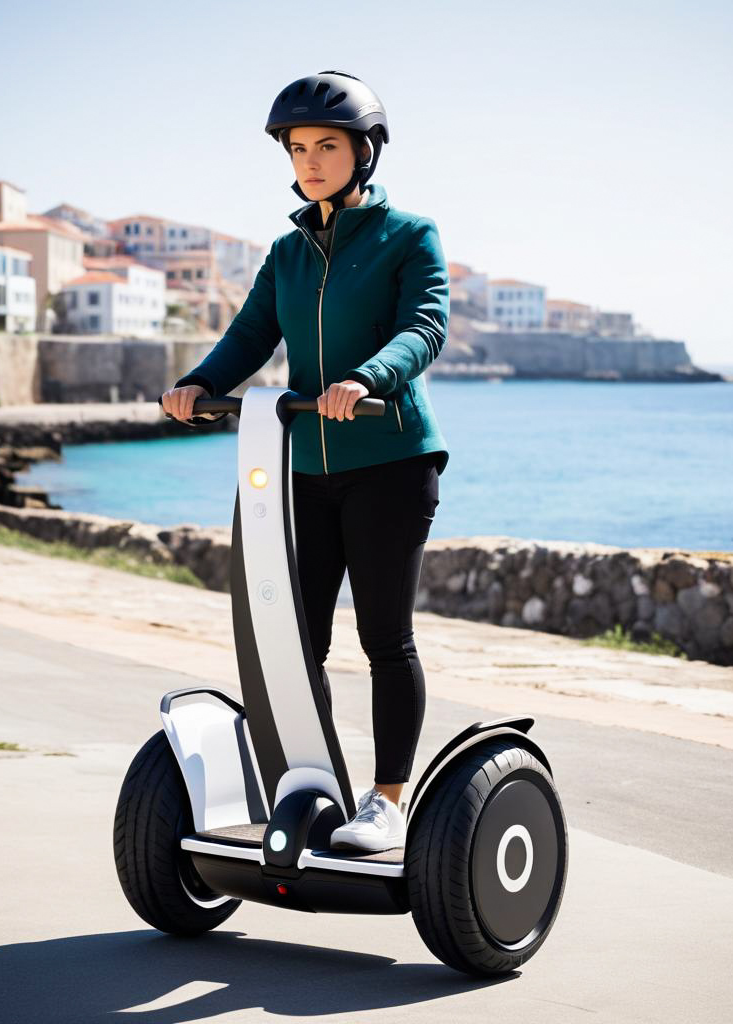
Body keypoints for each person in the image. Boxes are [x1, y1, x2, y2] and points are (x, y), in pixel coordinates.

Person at [161, 70, 450, 852]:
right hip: (301, 469)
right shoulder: (286, 255)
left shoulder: (409, 236)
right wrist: (200, 383)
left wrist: (366, 379)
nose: (311, 160)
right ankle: (313, 782)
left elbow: (423, 327)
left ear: (364, 152)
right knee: (298, 642)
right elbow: (251, 336)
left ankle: (387, 800)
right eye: (298, 148)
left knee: (385, 639)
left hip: (390, 459)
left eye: (327, 145)